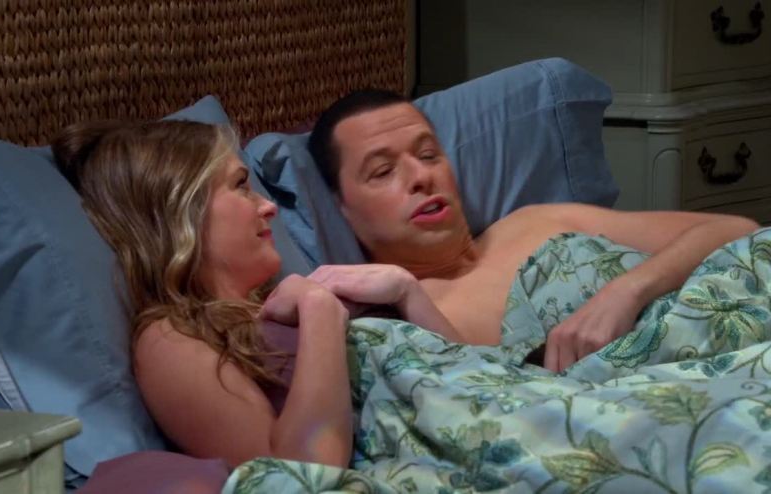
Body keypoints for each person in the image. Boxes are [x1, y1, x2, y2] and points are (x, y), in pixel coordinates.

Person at [51, 120, 450, 469]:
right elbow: (300, 475)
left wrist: (405, 290)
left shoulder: (275, 301)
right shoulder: (170, 338)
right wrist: (320, 310)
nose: (269, 206)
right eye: (241, 185)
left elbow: (467, 372)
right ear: (182, 208)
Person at [307, 89, 760, 372]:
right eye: (383, 171)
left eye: (428, 155)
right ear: (341, 208)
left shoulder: (535, 222)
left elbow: (735, 229)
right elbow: (475, 401)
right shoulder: (398, 323)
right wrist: (408, 293)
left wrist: (627, 291)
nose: (421, 176)